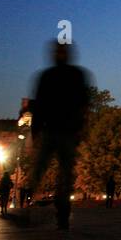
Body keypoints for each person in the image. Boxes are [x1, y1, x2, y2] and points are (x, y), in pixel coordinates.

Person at [25, 41, 92, 230]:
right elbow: (38, 106)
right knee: (45, 168)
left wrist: (82, 128)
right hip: (53, 129)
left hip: (65, 131)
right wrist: (35, 132)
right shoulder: (53, 75)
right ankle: (32, 202)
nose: (59, 54)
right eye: (58, 51)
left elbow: (84, 105)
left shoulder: (70, 75)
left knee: (63, 173)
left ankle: (61, 211)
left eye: (61, 51)